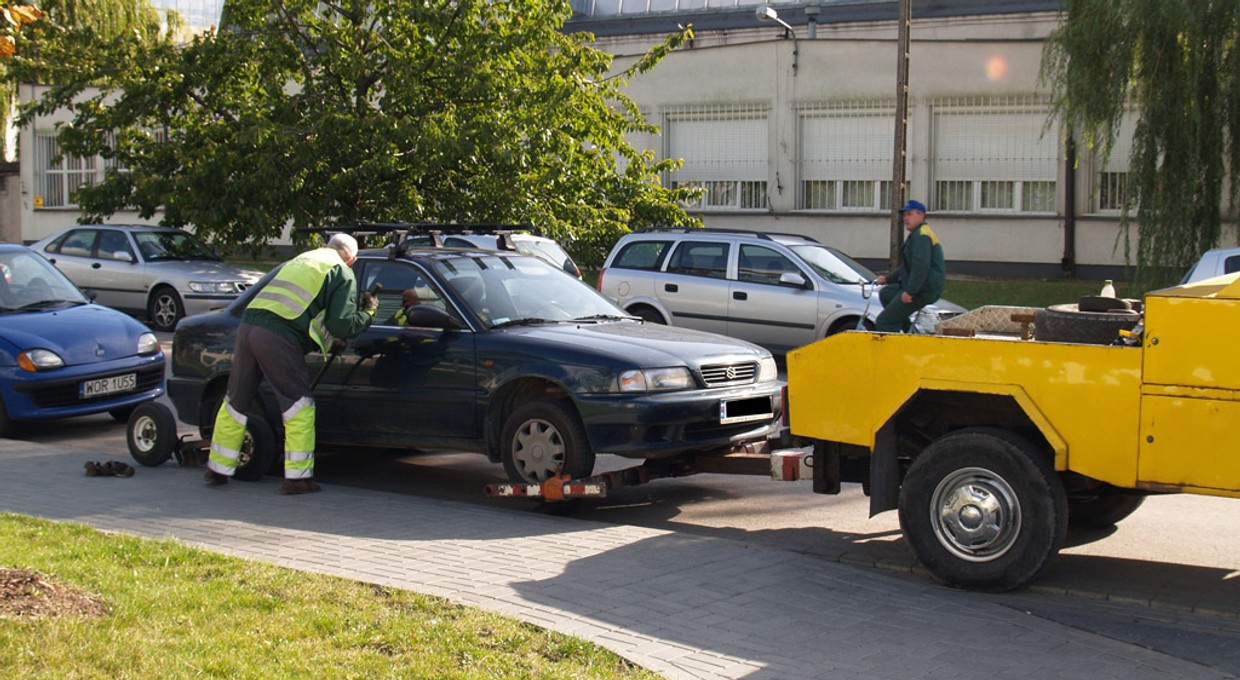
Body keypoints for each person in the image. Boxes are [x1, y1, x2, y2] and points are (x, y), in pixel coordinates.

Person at [204, 233, 378, 494]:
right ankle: (297, 480)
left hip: (248, 326)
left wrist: (329, 342)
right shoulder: (341, 272)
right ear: (352, 260)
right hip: (276, 336)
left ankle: (217, 469)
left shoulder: (303, 259)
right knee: (299, 405)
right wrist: (368, 312)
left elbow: (307, 312)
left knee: (236, 400)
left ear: (326, 246)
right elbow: (340, 323)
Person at [874, 199, 946, 333]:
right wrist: (887, 279)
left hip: (923, 290)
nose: (905, 218)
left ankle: (895, 350)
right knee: (887, 293)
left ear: (921, 215)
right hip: (921, 287)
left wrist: (910, 292)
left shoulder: (922, 236)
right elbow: (906, 267)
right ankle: (909, 332)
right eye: (905, 215)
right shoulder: (917, 234)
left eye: (909, 214)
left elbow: (921, 267)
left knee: (885, 322)